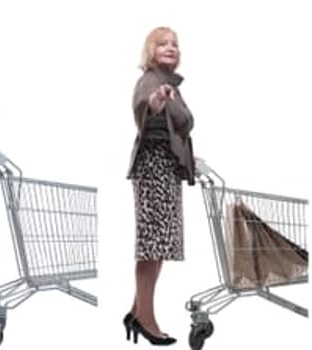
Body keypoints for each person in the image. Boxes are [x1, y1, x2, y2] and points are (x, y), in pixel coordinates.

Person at [124, 26, 192, 347]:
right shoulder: (151, 82)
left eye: (175, 44)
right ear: (150, 51)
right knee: (152, 248)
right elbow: (146, 107)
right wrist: (158, 99)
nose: (171, 48)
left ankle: (138, 311)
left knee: (158, 246)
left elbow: (178, 126)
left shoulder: (172, 84)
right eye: (163, 43)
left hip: (166, 167)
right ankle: (145, 320)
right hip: (153, 167)